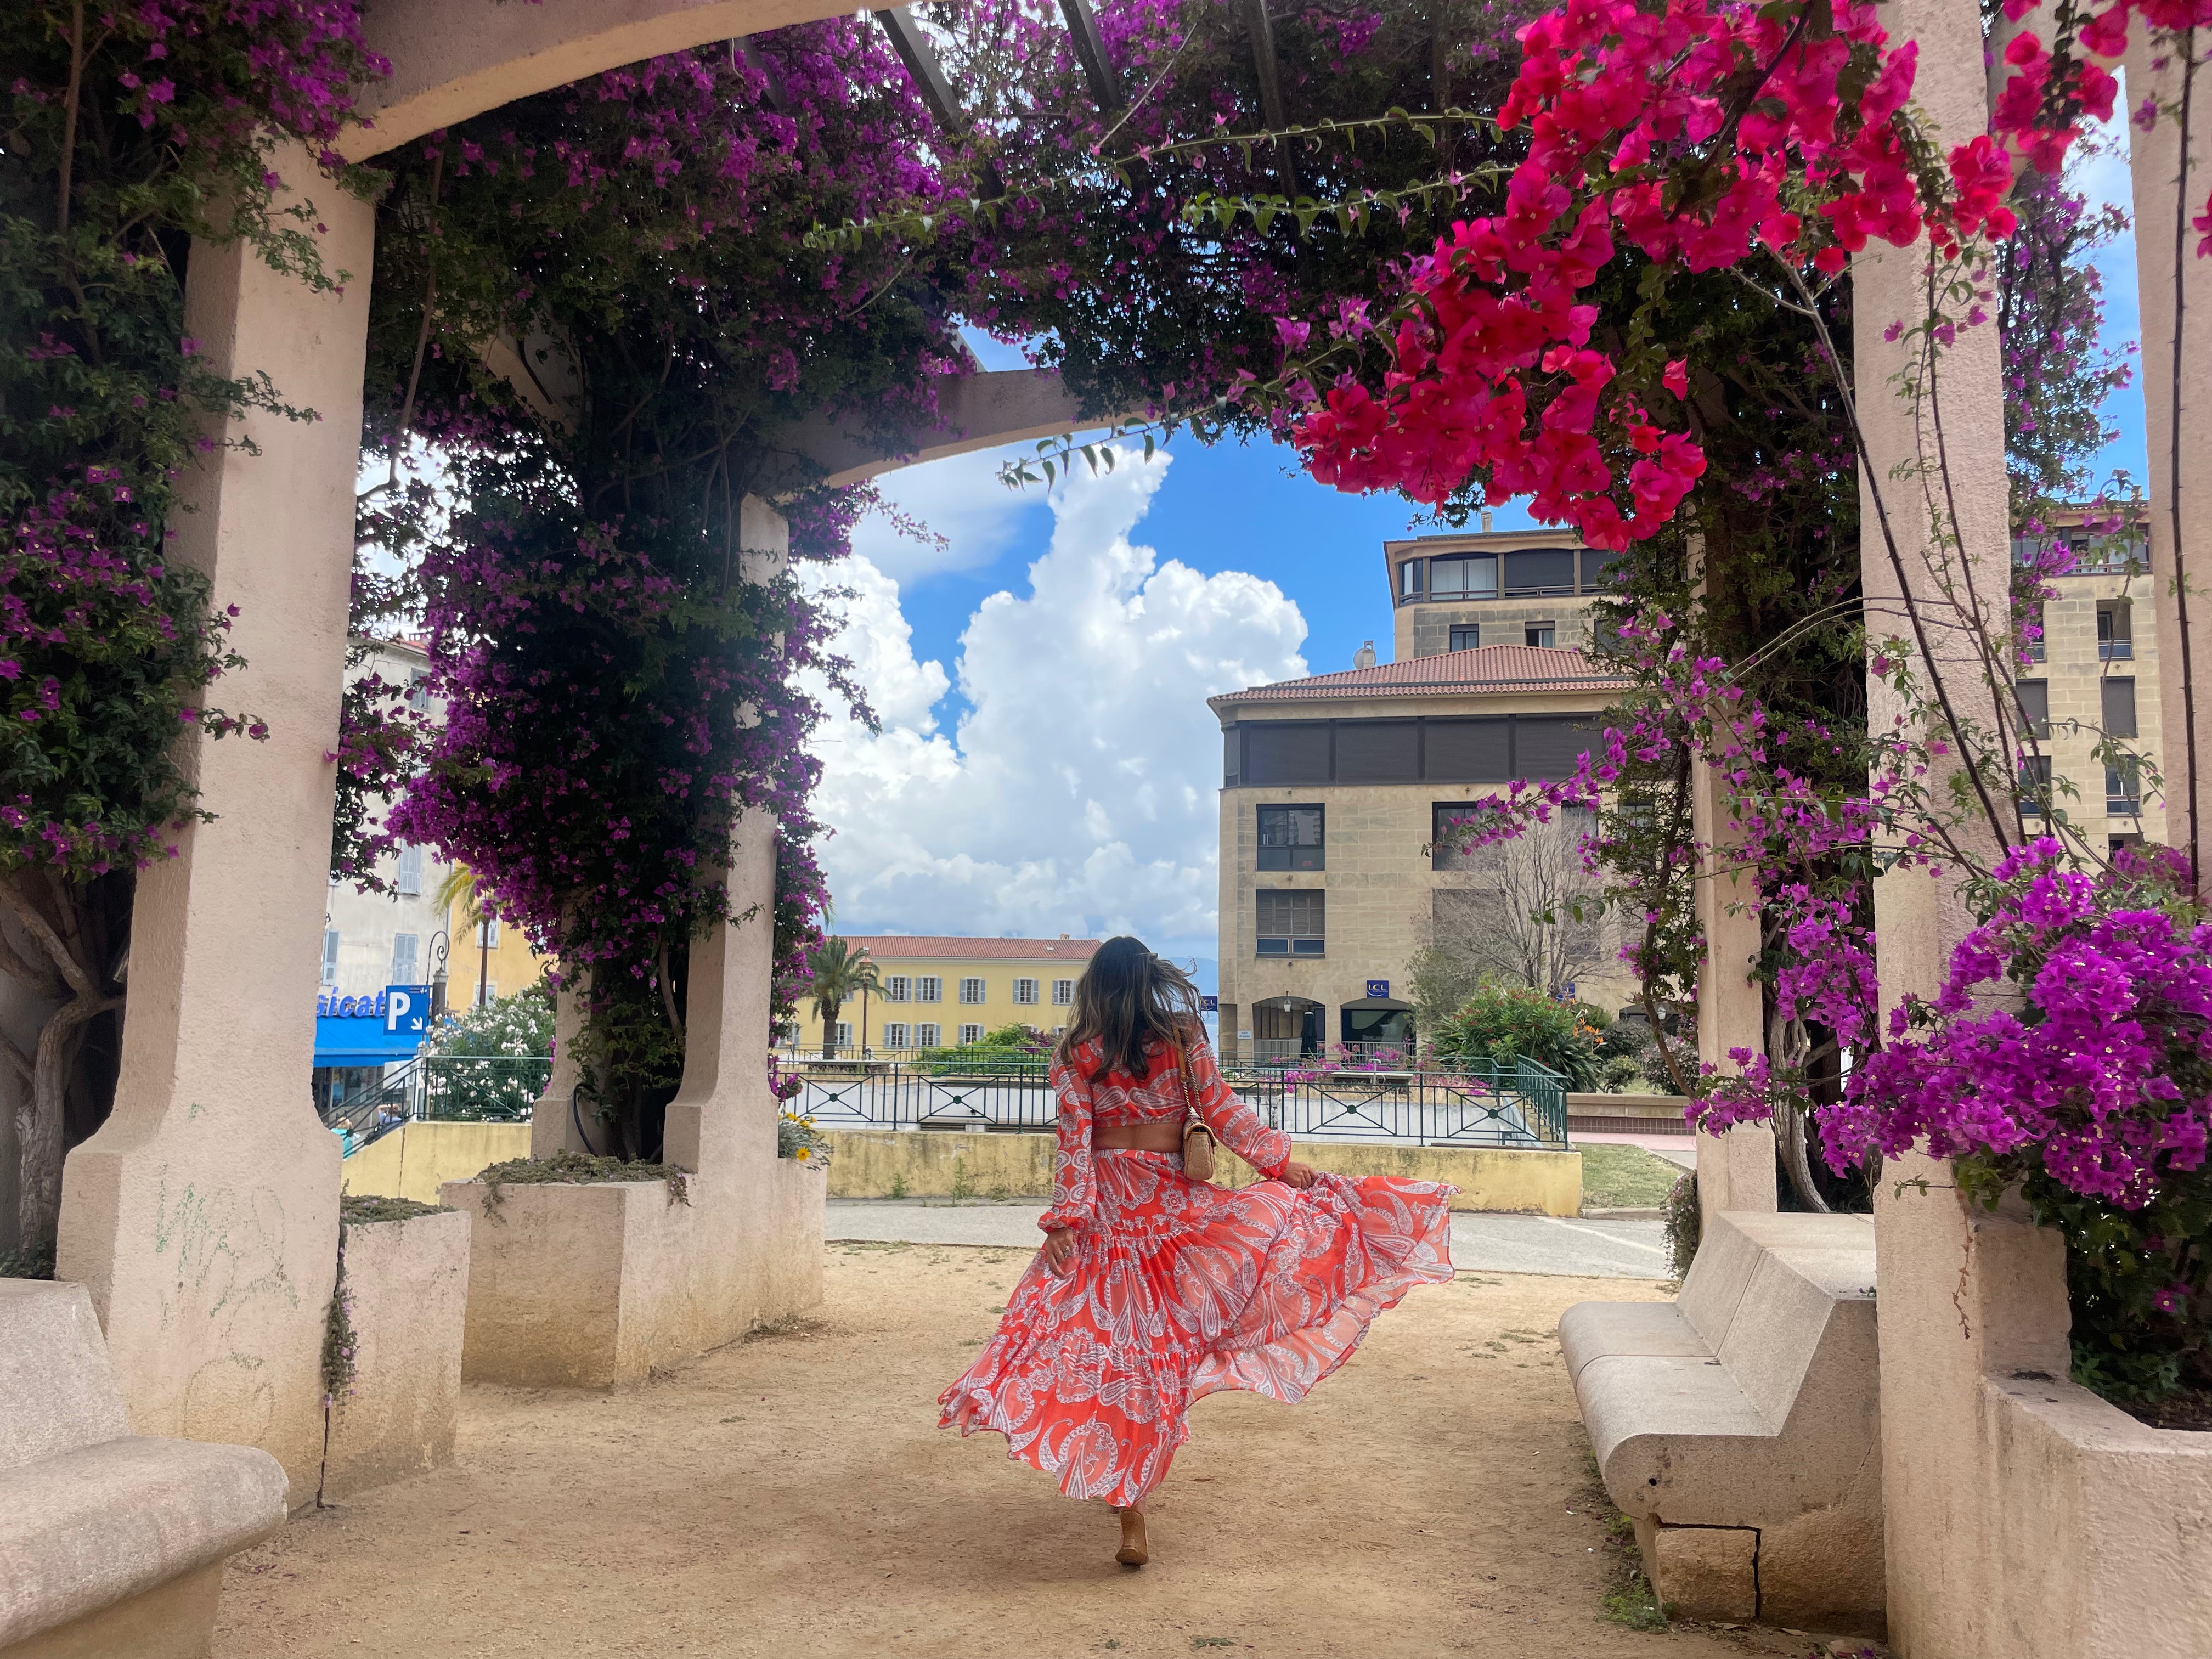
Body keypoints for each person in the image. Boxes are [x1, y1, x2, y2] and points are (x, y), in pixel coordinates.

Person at [938, 936, 1455, 1567]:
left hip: (1109, 1213)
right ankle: (1130, 1495)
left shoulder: (1077, 1050)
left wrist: (1067, 1221)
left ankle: (1126, 1495)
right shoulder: (1181, 1037)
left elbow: (1073, 1141)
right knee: (1162, 1352)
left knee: (1108, 1349)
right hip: (1172, 1210)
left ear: (1096, 984)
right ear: (1147, 979)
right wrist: (1281, 1165)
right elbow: (1223, 1112)